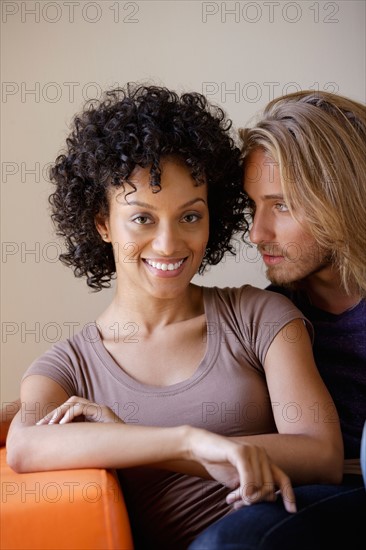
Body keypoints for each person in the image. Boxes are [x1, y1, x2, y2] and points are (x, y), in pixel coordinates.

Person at [6, 85, 343, 550]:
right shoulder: (68, 366)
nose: (169, 245)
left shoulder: (260, 314)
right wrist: (188, 443)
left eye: (190, 217)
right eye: (142, 219)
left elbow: (322, 454)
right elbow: (26, 447)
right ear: (102, 222)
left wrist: (140, 441)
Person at [189, 90, 366, 549]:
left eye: (281, 205)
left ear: (343, 198)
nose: (256, 233)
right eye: (253, 206)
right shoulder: (269, 319)